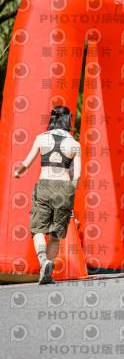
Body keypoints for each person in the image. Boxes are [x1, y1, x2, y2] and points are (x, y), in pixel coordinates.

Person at [13, 106, 81, 284]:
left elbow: (26, 163)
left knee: (38, 230)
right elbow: (77, 176)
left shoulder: (41, 139)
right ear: (68, 120)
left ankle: (43, 261)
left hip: (44, 186)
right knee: (56, 235)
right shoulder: (75, 144)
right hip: (65, 188)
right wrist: (70, 196)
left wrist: (17, 172)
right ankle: (47, 273)